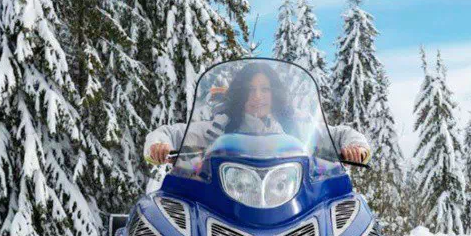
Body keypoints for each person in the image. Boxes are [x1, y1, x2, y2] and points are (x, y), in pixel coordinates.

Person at [144, 61, 370, 167]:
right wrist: (159, 145)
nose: (257, 97)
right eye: (250, 90)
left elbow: (338, 134)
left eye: (264, 89)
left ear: (274, 93)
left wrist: (356, 148)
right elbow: (171, 133)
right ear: (240, 94)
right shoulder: (218, 127)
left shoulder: (294, 127)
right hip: (225, 207)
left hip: (291, 206)